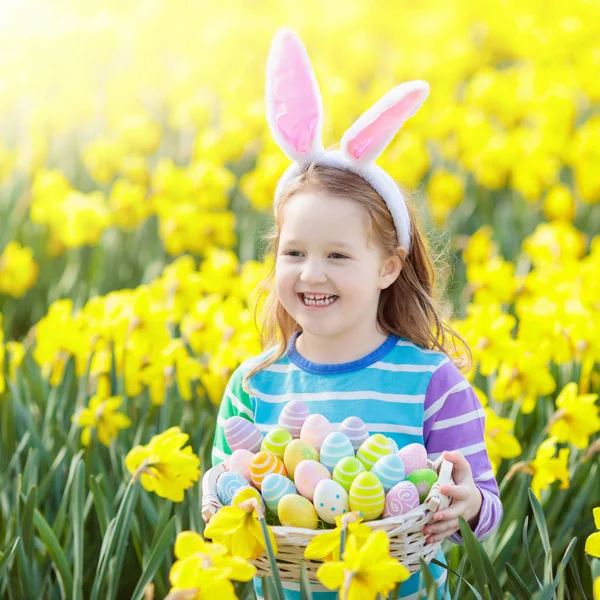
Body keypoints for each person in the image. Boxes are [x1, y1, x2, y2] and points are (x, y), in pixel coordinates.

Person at [210, 28, 502, 599]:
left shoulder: (433, 383)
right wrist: (219, 499)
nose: (311, 274)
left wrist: (468, 504)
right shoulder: (254, 384)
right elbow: (227, 499)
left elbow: (483, 510)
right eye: (293, 253)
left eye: (338, 256)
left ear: (388, 267)